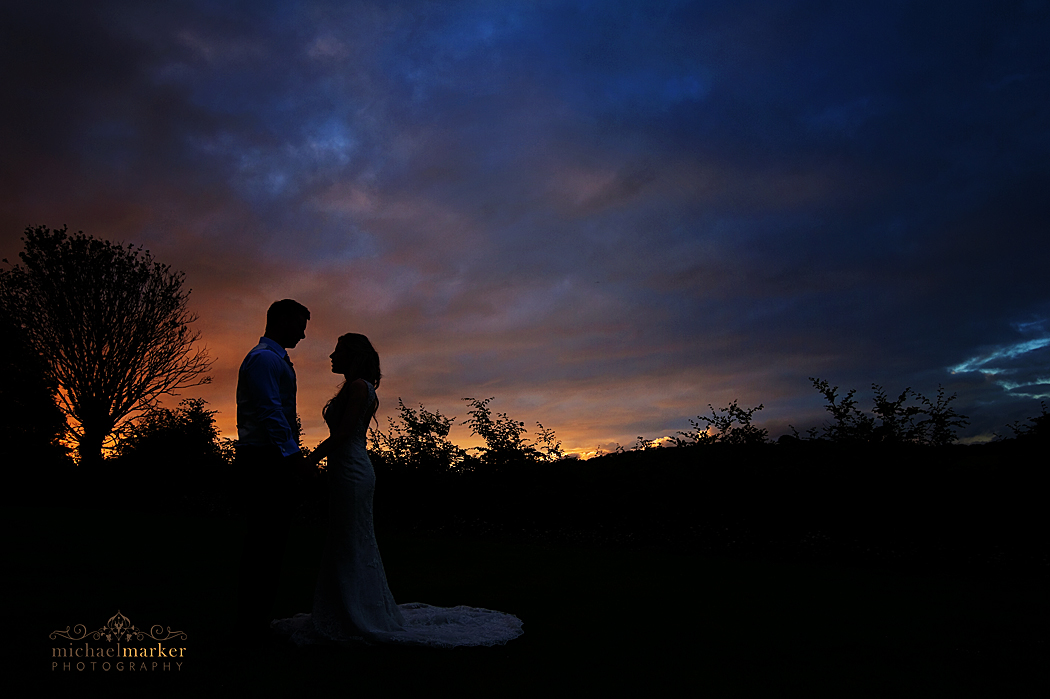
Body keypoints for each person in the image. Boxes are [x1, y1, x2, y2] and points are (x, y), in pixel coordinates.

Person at [272, 333, 523, 647]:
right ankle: (344, 609)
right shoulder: (357, 387)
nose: (331, 356)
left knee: (351, 540)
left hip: (352, 470)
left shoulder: (360, 387)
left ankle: (356, 613)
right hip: (345, 470)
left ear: (352, 355)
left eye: (337, 352)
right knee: (345, 538)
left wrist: (311, 459)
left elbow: (347, 432)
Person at [235, 299, 312, 638]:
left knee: (270, 540)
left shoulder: (272, 358)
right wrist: (292, 456)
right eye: (300, 325)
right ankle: (252, 623)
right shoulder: (264, 360)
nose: (304, 334)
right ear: (281, 320)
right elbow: (270, 412)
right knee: (265, 541)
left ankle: (256, 619)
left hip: (269, 458)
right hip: (265, 459)